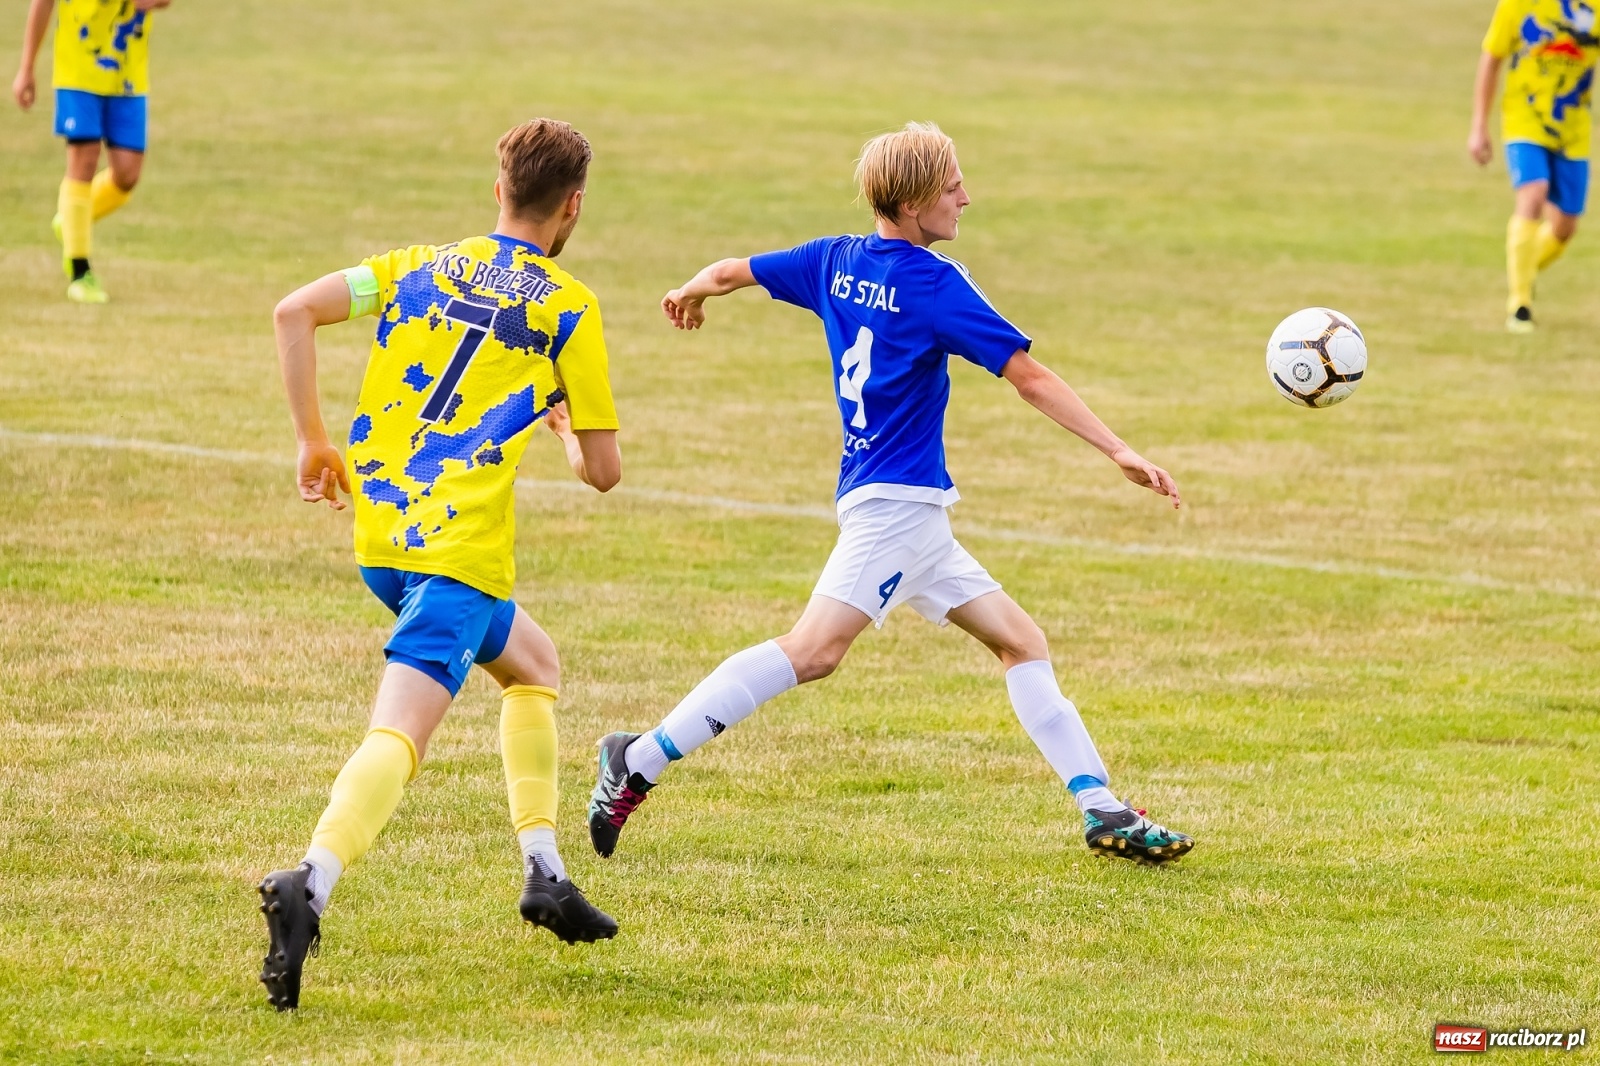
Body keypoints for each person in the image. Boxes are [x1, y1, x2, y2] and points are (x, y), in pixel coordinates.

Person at [588, 122, 1194, 872]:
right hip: (894, 512)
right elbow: (1029, 377)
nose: (966, 198)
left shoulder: (833, 260)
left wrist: (688, 292)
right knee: (813, 652)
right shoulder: (937, 286)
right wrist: (1119, 449)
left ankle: (1100, 806)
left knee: (1020, 643)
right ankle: (636, 758)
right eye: (952, 187)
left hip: (908, 514)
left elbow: (731, 270)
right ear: (911, 203)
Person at [260, 118, 623, 1012]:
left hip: (384, 542)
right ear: (573, 205)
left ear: (497, 188)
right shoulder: (568, 307)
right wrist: (568, 429)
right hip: (459, 556)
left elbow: (292, 311)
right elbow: (604, 473)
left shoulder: (415, 266)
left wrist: (314, 443)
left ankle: (545, 871)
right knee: (402, 733)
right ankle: (312, 879)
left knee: (534, 665)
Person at [11, 0, 171, 304]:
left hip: (127, 75)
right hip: (79, 71)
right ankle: (80, 271)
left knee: (127, 175)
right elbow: (43, 4)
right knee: (83, 160)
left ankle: (72, 221)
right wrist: (26, 68)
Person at [1469, 0, 1600, 332]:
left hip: (1573, 129)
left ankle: (1523, 269)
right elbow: (1492, 57)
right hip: (1524, 120)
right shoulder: (1518, 4)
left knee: (1565, 227)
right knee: (1533, 193)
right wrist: (1479, 125)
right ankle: (1520, 304)